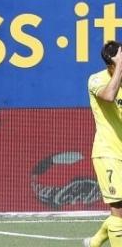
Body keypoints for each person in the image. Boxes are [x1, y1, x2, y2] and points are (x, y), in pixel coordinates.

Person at [84, 41, 122, 247]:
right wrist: (119, 68)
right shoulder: (96, 80)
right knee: (118, 212)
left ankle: (95, 241)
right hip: (108, 153)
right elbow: (109, 96)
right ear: (111, 63)